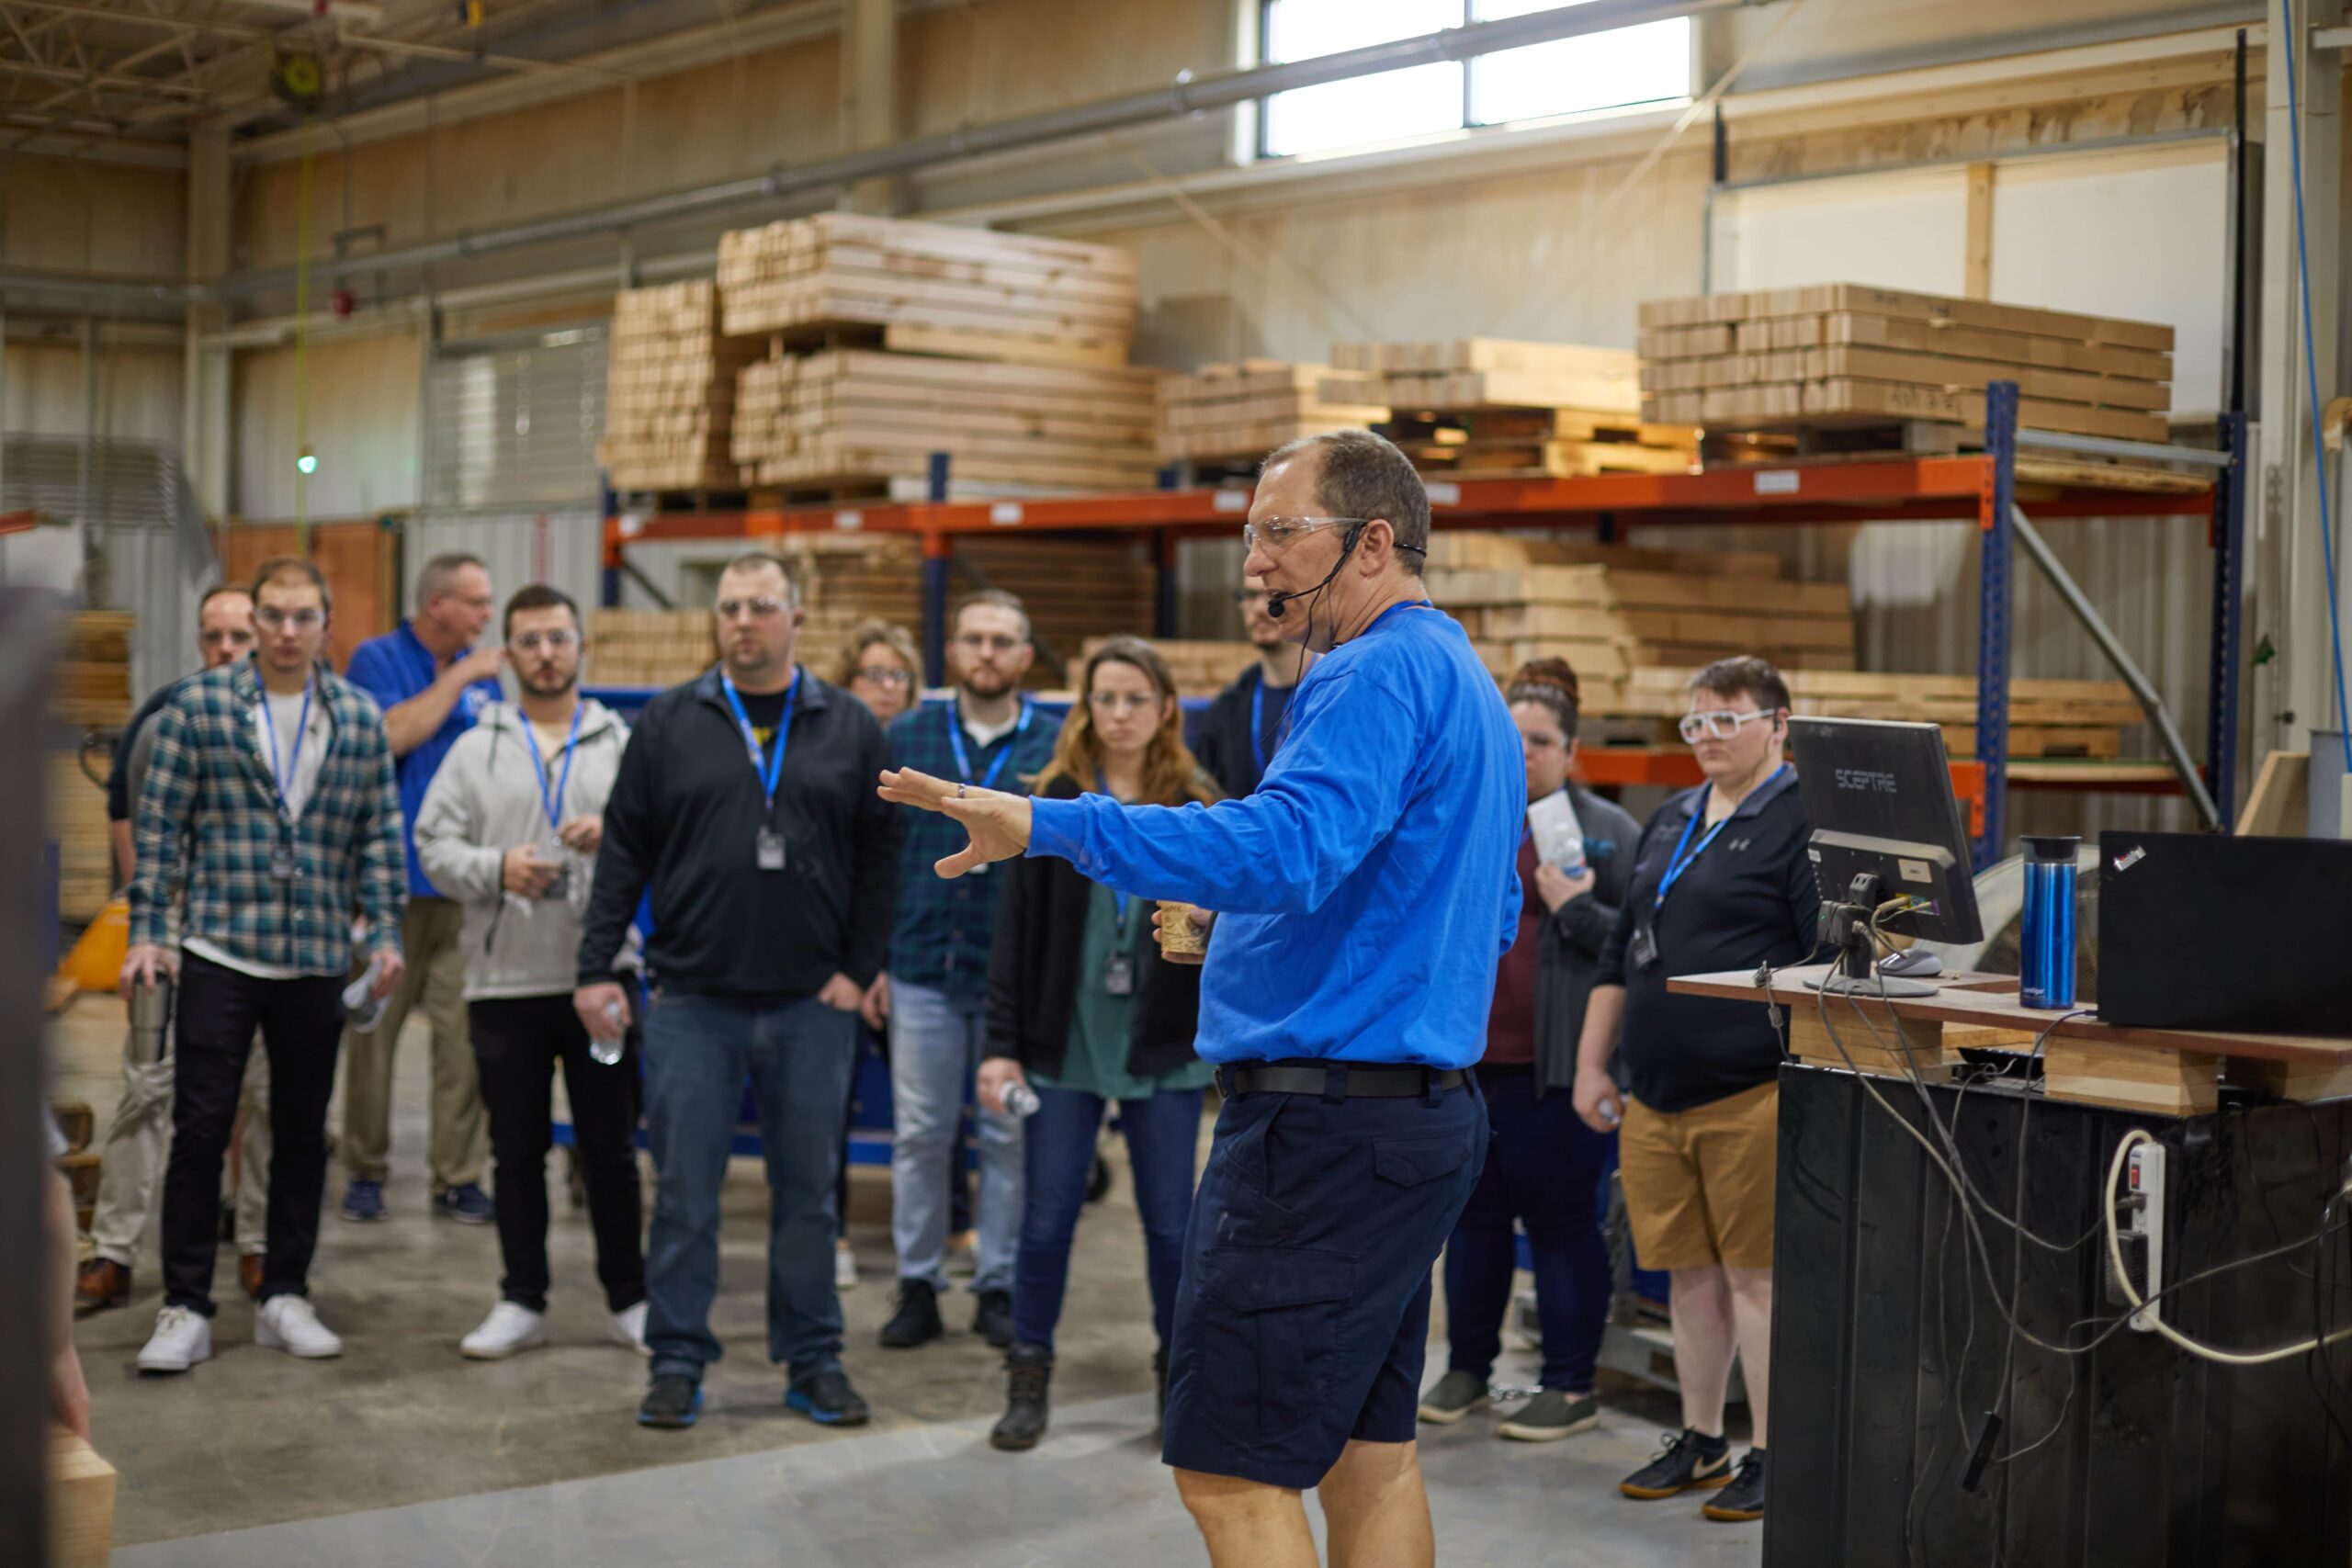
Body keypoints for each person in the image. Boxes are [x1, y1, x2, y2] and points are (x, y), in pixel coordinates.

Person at [881, 429, 1524, 1568]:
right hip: (1409, 1119)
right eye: (1249, 534)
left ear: (1373, 542)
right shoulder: (1461, 677)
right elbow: (1465, 905)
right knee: (1368, 1453)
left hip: (1321, 1137)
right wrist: (1260, 932)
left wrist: (1042, 821)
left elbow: (1285, 847)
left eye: (1282, 533)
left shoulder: (1368, 670)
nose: (1257, 560)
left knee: (1228, 1473)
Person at [578, 550, 900, 1432]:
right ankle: (677, 1359)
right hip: (691, 1003)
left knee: (808, 1197)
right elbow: (622, 856)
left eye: (761, 607)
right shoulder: (669, 723)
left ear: (796, 619)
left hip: (812, 1005)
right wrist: (595, 964)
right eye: (728, 608)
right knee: (684, 1193)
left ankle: (814, 1359)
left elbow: (883, 855)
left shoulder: (847, 727)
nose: (742, 622)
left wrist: (858, 968)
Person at [123, 556, 407, 1373]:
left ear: (326, 625)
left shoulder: (356, 717)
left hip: (315, 956)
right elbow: (162, 825)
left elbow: (379, 835)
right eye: (273, 616)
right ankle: (184, 1305)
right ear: (255, 621)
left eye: (302, 617)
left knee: (300, 1133)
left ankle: (285, 1292)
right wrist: (148, 928)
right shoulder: (200, 705)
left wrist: (384, 931)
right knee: (202, 1127)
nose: (286, 632)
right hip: (219, 947)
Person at [1572, 655, 1818, 1527]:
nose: (1708, 737)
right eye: (1696, 723)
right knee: (1686, 1275)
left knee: (1756, 1279)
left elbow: (1823, 962)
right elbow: (1620, 951)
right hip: (1656, 1095)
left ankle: (1772, 1450)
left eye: (1727, 720)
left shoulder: (1801, 824)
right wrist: (1595, 1064)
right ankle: (1701, 1433)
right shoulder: (1672, 816)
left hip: (1749, 1092)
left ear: (1778, 724)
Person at [977, 637, 1219, 1452]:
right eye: (1104, 698)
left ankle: (1179, 1382)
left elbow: (1225, 929)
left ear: (1164, 711)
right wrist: (1000, 1044)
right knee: (1045, 1221)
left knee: (1168, 1227)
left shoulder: (1197, 801)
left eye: (1134, 699)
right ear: (1086, 708)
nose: (1118, 714)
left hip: (1163, 1047)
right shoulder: (1049, 799)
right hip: (1063, 1043)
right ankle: (1028, 1372)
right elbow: (1013, 938)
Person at [413, 584, 648, 1361]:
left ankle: (629, 1297)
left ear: (582, 647)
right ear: (508, 655)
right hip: (503, 982)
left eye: (558, 637)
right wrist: (496, 866)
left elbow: (666, 839)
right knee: (515, 1151)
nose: (545, 653)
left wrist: (613, 831)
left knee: (610, 1149)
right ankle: (522, 1299)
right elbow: (432, 845)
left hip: (603, 978)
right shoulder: (473, 746)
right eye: (529, 641)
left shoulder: (622, 744)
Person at [1415, 659, 1640, 1441]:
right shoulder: (1465, 817)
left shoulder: (1610, 834)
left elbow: (1642, 950)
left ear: (1572, 751)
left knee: (1560, 1224)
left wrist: (1576, 910)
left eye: (1541, 741)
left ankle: (1570, 1384)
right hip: (1470, 1067)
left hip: (1558, 1074)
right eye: (1512, 738)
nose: (1525, 752)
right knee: (1472, 1224)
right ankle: (1468, 1368)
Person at [868, 589, 1055, 1353]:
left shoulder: (1053, 747)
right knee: (919, 1133)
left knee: (1006, 1134)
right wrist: (872, 960)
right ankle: (918, 1282)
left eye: (1002, 640)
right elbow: (875, 860)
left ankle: (997, 1284)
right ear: (951, 652)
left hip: (1013, 979)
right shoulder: (908, 737)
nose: (986, 652)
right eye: (974, 638)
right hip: (919, 966)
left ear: (1024, 657)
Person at [80, 584, 275, 1314]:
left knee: (259, 1096)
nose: (225, 649)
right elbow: (129, 835)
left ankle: (255, 1243)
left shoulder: (283, 725)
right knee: (146, 1091)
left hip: (257, 937)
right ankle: (114, 1250)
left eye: (238, 636)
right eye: (212, 636)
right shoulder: (157, 722)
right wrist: (148, 934)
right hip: (174, 935)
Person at [339, 552, 504, 1225]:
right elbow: (387, 735)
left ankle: (458, 1174)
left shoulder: (487, 684)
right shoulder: (377, 661)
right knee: (374, 1038)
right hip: (390, 886)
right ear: (438, 603)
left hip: (465, 885)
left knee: (462, 1040)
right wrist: (463, 674)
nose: (486, 615)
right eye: (476, 601)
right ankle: (365, 1169)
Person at [829, 616, 922, 1292]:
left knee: (926, 1110)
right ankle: (830, 1230)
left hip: (904, 957)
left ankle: (949, 1225)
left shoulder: (920, 757)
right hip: (836, 960)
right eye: (873, 675)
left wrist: (885, 963)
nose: (886, 689)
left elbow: (908, 871)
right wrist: (857, 967)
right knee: (827, 1104)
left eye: (898, 676)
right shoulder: (831, 754)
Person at [1193, 570, 1301, 798]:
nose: (1260, 609)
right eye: (1250, 596)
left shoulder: (1334, 694)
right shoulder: (1227, 708)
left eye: (1273, 594)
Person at [835, 617, 921, 728]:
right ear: (847, 681)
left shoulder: (922, 739)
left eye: (899, 675)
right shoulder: (828, 738)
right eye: (874, 674)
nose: (888, 686)